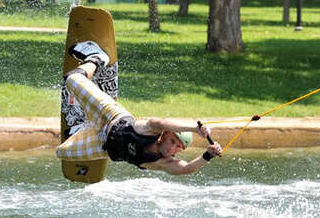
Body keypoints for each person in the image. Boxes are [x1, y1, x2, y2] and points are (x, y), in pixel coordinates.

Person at [57, 41, 222, 175]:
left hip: (102, 145)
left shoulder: (162, 163)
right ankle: (96, 58)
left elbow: (186, 169)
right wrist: (195, 128)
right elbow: (162, 122)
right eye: (173, 141)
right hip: (110, 115)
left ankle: (82, 126)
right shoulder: (150, 129)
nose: (173, 149)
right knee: (72, 79)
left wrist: (207, 155)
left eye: (179, 147)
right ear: (164, 136)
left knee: (61, 152)